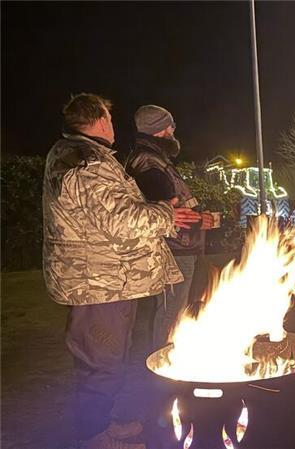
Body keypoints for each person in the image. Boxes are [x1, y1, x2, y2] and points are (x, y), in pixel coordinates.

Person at [42, 94, 199, 449]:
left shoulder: (76, 155)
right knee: (101, 364)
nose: (114, 127)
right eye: (110, 120)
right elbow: (120, 220)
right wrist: (166, 214)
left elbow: (111, 212)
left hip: (103, 280)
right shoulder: (87, 164)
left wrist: (160, 211)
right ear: (99, 119)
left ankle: (101, 426)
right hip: (98, 283)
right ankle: (94, 438)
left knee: (106, 360)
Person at [125, 105, 220, 350]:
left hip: (180, 248)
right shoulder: (148, 162)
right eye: (171, 125)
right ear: (160, 129)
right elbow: (166, 209)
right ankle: (165, 367)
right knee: (171, 312)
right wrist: (199, 221)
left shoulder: (155, 158)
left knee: (176, 309)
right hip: (173, 251)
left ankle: (172, 358)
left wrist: (200, 219)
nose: (174, 130)